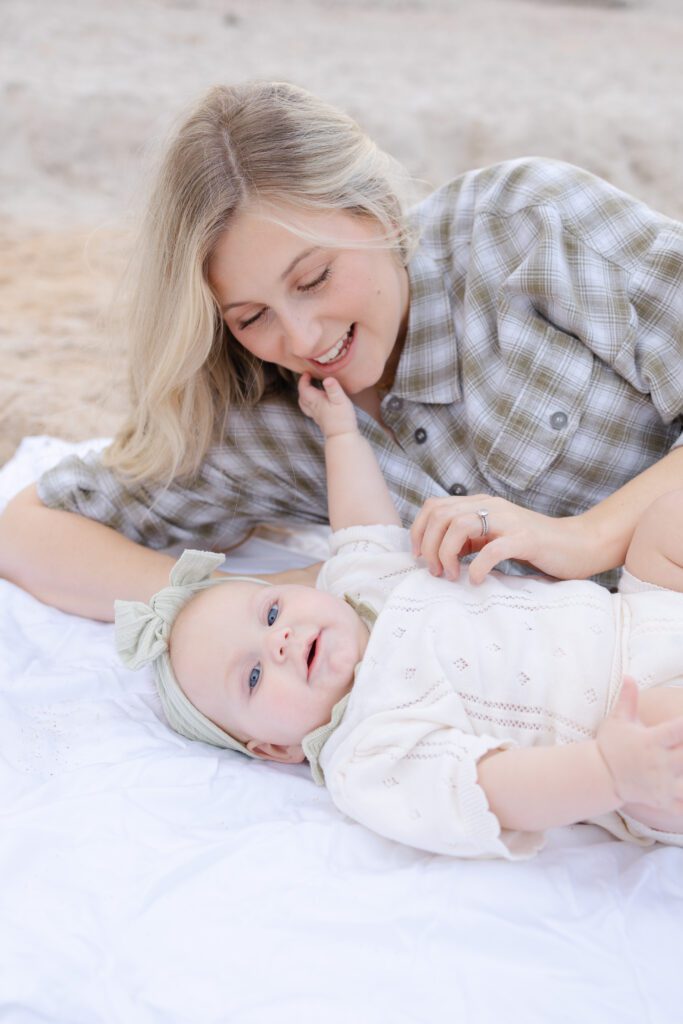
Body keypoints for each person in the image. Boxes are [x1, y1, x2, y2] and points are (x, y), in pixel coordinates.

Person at [0, 81, 681, 619]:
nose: (300, 340)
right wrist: (234, 597)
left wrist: (585, 538)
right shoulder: (264, 419)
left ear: (380, 213)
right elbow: (30, 531)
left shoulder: (526, 227)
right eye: (251, 315)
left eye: (314, 278)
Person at [116, 374, 683, 860]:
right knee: (667, 723)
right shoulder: (366, 751)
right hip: (631, 730)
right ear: (275, 749)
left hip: (643, 612)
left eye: (270, 611)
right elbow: (490, 788)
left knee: (666, 518)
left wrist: (340, 433)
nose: (280, 642)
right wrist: (609, 771)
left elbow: (359, 520)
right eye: (255, 676)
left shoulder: (361, 586)